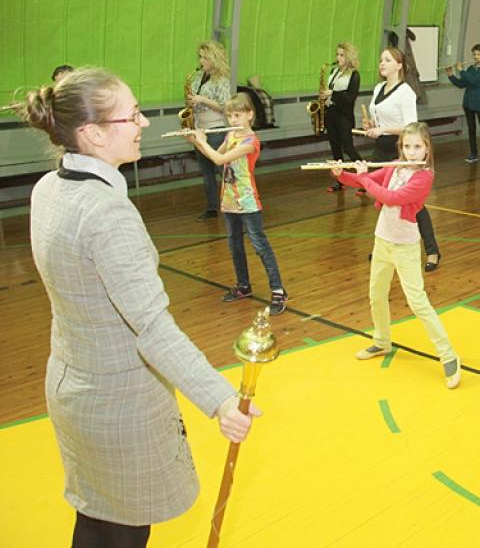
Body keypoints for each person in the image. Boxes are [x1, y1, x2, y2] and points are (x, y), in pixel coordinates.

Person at [22, 68, 258, 547]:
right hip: (117, 403)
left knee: (96, 522)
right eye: (131, 116)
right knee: (125, 532)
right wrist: (220, 399)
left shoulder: (47, 187)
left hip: (73, 389)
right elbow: (151, 328)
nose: (143, 123)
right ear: (92, 134)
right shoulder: (105, 212)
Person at [334, 122, 462, 389]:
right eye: (407, 146)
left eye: (417, 147)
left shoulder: (424, 177)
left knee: (418, 302)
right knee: (376, 294)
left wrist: (365, 179)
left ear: (427, 149)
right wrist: (342, 174)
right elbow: (363, 180)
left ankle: (449, 355)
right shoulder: (397, 167)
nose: (412, 152)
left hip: (404, 247)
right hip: (382, 240)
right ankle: (381, 341)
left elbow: (391, 198)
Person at [190, 94, 288, 315]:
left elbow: (219, 160)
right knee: (234, 245)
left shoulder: (250, 142)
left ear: (250, 115)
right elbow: (218, 153)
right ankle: (243, 285)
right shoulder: (231, 134)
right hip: (229, 199)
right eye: (230, 115)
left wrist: (203, 142)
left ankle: (278, 290)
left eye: (238, 115)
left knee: (260, 246)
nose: (233, 120)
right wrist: (197, 141)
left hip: (247, 199)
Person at [368, 48, 441, 271]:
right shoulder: (379, 88)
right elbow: (379, 117)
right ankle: (386, 244)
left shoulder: (405, 92)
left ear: (399, 65)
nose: (382, 63)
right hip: (381, 147)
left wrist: (384, 129)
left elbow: (411, 127)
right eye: (381, 59)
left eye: (387, 60)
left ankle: (432, 251)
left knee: (415, 205)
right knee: (384, 200)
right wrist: (372, 127)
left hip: (402, 149)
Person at [189, 41, 233, 221]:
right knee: (206, 172)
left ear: (214, 59)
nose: (201, 61)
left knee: (222, 169)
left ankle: (235, 201)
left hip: (215, 129)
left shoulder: (221, 80)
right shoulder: (198, 77)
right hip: (200, 128)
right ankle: (212, 208)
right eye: (200, 57)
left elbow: (225, 106)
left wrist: (202, 99)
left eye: (205, 57)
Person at [320, 42, 363, 193]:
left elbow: (350, 97)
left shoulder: (354, 75)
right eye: (337, 54)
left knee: (348, 148)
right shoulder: (333, 72)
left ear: (349, 57)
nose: (338, 58)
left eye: (341, 55)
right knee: (335, 149)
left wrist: (332, 94)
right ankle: (340, 180)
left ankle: (364, 179)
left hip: (344, 115)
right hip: (331, 113)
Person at [447, 44, 480, 164]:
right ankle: (474, 154)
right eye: (474, 54)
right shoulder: (470, 69)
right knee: (471, 129)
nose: (476, 56)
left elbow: (474, 81)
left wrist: (461, 70)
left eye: (478, 54)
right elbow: (461, 84)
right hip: (468, 103)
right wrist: (451, 75)